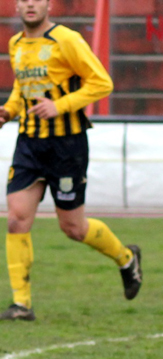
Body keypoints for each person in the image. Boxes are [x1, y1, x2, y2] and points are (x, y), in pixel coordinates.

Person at [0, 0, 142, 322]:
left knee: (74, 228)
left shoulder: (67, 39)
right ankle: (22, 305)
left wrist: (60, 106)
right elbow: (22, 88)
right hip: (29, 144)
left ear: (48, 5)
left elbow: (102, 83)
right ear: (17, 6)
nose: (30, 4)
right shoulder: (16, 43)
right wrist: (9, 111)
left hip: (67, 146)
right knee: (16, 220)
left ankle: (126, 258)